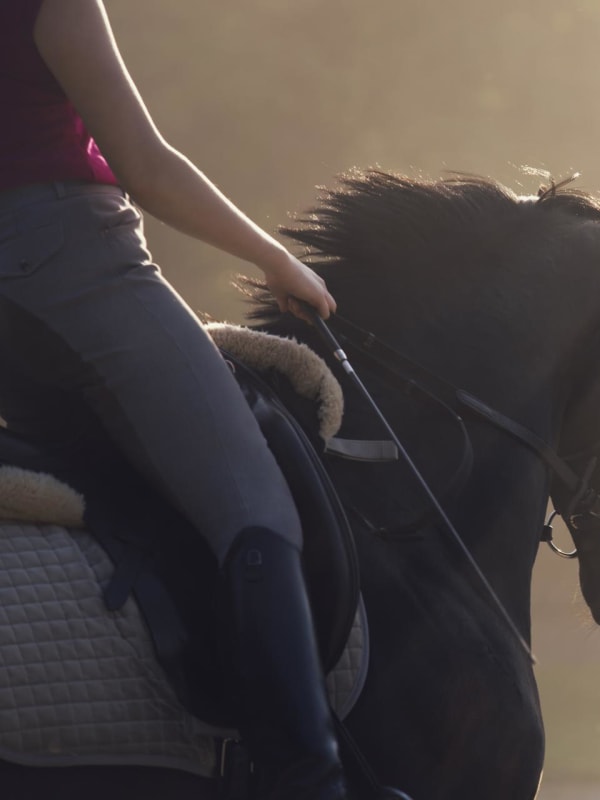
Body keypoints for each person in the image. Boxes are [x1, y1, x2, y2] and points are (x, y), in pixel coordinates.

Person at [0, 2, 406, 798]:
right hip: (77, 266)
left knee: (130, 493)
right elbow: (146, 166)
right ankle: (307, 778)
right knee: (254, 505)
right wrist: (277, 262)